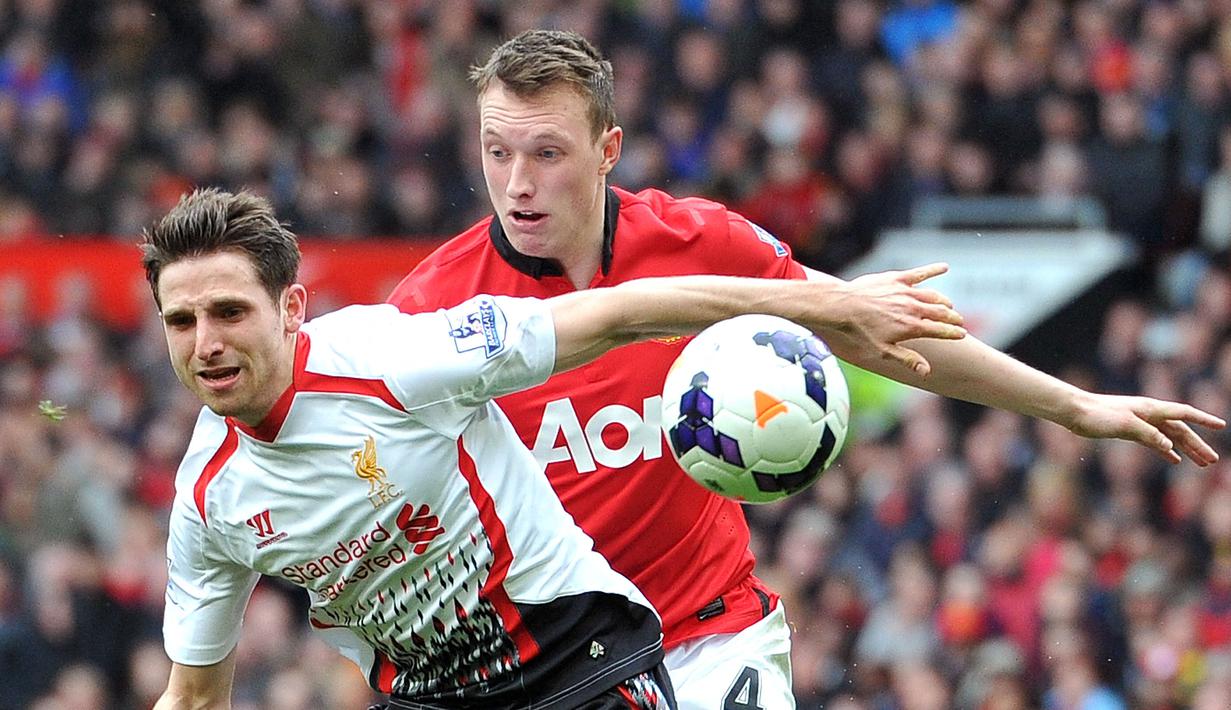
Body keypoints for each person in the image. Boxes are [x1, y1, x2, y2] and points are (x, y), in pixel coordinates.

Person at [385, 30, 1226, 709]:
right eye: (497, 152)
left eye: (546, 154)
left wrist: (1074, 407)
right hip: (552, 668)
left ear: (608, 149)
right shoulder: (436, 309)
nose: (517, 184)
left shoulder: (698, 242)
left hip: (706, 634)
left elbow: (874, 332)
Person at [144, 187, 976, 709]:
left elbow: (622, 312)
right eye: (181, 322)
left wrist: (827, 309)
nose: (205, 342)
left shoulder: (395, 356)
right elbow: (192, 694)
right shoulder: (210, 501)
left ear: (291, 309)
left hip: (581, 668)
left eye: (228, 312)